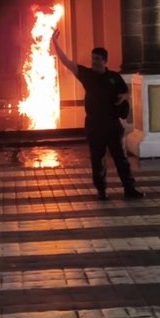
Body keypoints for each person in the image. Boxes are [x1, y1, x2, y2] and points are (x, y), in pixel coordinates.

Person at [50, 31, 142, 200]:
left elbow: (125, 92)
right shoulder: (87, 75)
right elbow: (66, 62)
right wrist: (54, 43)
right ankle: (101, 191)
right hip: (94, 124)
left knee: (121, 159)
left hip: (113, 124)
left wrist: (124, 97)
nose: (94, 62)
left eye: (97, 59)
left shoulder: (114, 77)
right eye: (93, 58)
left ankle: (130, 189)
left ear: (104, 61)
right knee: (97, 159)